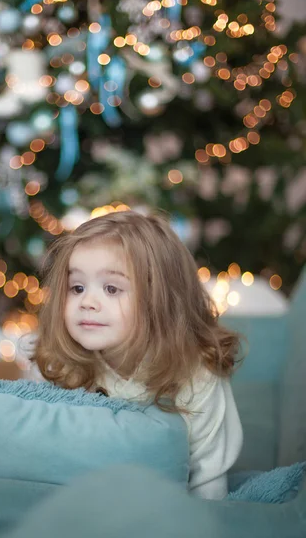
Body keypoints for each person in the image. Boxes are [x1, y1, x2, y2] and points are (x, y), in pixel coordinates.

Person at [33, 210, 243, 499]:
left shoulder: (198, 376)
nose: (87, 302)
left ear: (162, 299)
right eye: (77, 287)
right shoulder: (64, 364)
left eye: (111, 288)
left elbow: (209, 478)